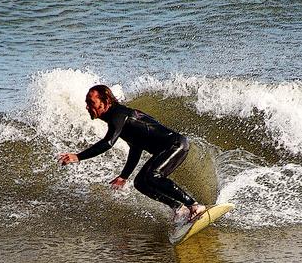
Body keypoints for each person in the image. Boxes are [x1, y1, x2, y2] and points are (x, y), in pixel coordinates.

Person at [58, 85, 206, 225]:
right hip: (170, 147)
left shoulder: (118, 114)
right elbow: (136, 148)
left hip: (175, 145)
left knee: (153, 175)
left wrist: (78, 157)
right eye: (87, 103)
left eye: (91, 103)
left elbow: (108, 143)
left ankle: (193, 205)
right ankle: (178, 208)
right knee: (140, 183)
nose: (88, 107)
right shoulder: (118, 119)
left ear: (106, 102)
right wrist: (124, 176)